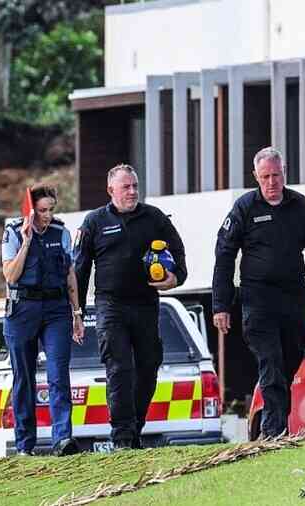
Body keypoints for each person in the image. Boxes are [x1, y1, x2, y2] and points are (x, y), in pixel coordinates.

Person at [213, 146, 305, 439]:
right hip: (257, 300)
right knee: (270, 362)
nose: (271, 182)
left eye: (276, 175)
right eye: (265, 177)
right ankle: (275, 431)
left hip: (293, 299)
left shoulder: (299, 205)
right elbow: (224, 254)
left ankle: (275, 425)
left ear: (284, 173)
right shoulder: (244, 208)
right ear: (255, 177)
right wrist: (220, 304)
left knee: (289, 361)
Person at [74, 164, 187, 450]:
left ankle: (135, 427)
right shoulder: (94, 222)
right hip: (110, 305)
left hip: (146, 303)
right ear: (111, 190)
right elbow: (80, 269)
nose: (133, 191)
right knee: (119, 366)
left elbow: (178, 251)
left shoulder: (154, 217)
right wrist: (74, 311)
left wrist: (176, 278)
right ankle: (122, 436)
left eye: (135, 186)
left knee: (148, 366)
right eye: (126, 187)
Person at [1, 183, 84, 457]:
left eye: (51, 210)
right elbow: (11, 276)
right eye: (42, 210)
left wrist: (77, 313)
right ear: (30, 210)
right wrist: (26, 241)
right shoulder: (12, 232)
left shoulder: (61, 232)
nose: (47, 216)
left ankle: (62, 439)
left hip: (56, 310)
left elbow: (70, 273)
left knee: (58, 374)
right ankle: (25, 444)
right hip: (22, 308)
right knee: (23, 377)